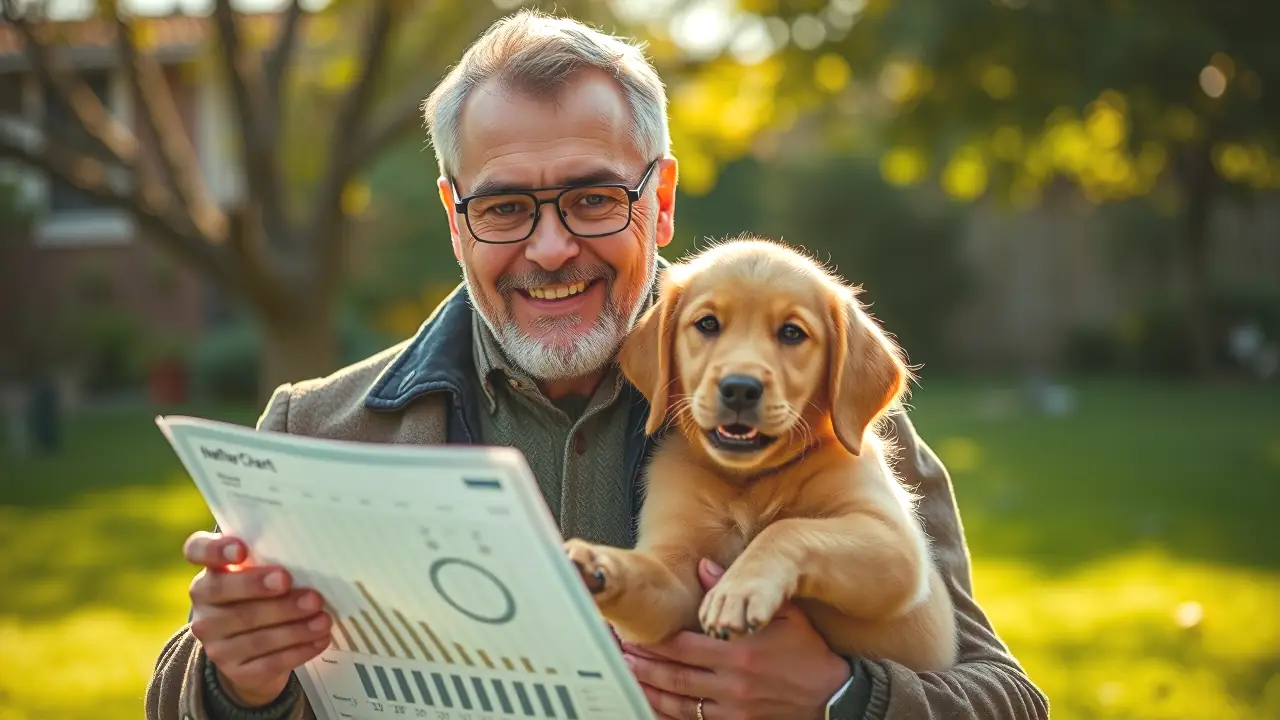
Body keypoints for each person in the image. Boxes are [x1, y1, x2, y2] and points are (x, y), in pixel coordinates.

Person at [145, 10, 1049, 720]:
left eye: (591, 198)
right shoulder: (316, 432)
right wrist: (235, 682)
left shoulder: (810, 413)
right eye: (503, 209)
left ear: (657, 204)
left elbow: (1007, 701)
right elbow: (183, 701)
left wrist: (844, 701)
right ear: (455, 219)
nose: (549, 249)